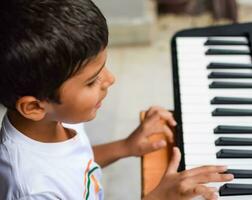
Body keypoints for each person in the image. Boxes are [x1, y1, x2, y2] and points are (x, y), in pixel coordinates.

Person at [0, 0, 233, 199]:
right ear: (33, 107)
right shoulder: (35, 190)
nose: (110, 79)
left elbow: (75, 163)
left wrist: (126, 146)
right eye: (91, 81)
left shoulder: (53, 119)